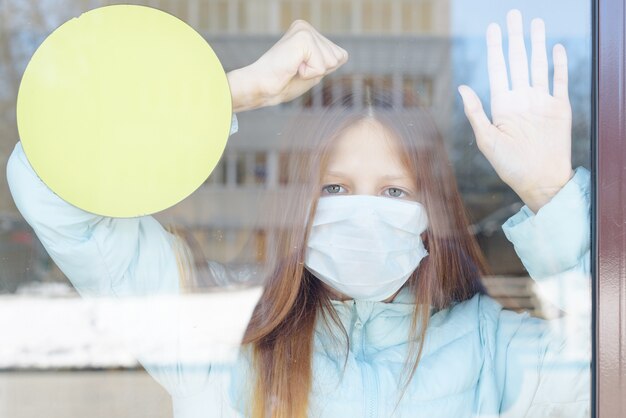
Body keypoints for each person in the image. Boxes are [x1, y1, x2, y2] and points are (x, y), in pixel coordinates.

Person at [6, 9, 590, 418]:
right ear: (297, 205)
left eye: (393, 193)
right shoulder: (219, 337)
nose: (363, 212)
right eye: (333, 189)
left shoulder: (491, 348)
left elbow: (603, 379)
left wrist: (549, 195)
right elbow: (49, 189)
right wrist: (225, 96)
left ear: (430, 212)